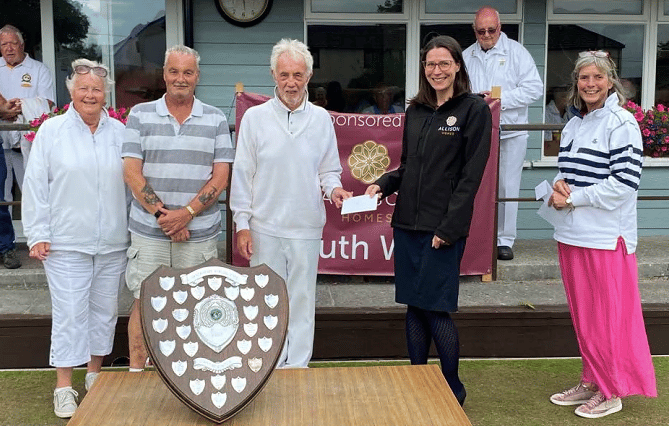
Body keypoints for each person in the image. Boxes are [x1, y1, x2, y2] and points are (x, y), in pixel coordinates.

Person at [365, 35, 492, 406]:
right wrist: (382, 184)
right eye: (430, 64)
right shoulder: (416, 111)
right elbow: (408, 167)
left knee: (436, 309)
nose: (436, 70)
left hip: (442, 230)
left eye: (443, 63)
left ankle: (453, 390)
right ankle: (418, 384)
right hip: (406, 224)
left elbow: (472, 177)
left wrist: (449, 228)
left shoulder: (473, 110)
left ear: (457, 66)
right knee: (413, 307)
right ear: (424, 69)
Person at [547, 50, 656, 419]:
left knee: (608, 318)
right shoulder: (575, 123)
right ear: (576, 83)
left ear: (611, 81)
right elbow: (571, 171)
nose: (590, 84)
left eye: (597, 77)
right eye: (583, 78)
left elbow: (625, 182)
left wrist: (574, 197)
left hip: (607, 237)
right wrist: (562, 185)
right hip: (573, 233)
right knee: (586, 317)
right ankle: (592, 380)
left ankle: (612, 390)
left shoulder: (622, 123)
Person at [230, 38, 351, 369]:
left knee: (301, 301)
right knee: (266, 302)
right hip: (264, 227)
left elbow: (329, 172)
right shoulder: (254, 118)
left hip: (306, 228)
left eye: (298, 75)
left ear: (309, 76)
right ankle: (268, 367)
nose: (291, 82)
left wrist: (335, 191)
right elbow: (242, 175)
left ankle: (297, 368)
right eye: (284, 75)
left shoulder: (322, 119)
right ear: (273, 74)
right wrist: (242, 224)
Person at [21, 59, 129, 418]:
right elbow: (35, 186)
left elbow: (131, 186)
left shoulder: (120, 132)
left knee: (104, 312)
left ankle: (94, 375)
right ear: (70, 91)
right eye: (83, 88)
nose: (90, 95)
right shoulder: (52, 131)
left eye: (97, 90)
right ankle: (64, 385)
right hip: (65, 242)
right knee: (69, 313)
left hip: (112, 241)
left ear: (106, 94)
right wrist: (37, 233)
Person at [122, 45, 234, 371]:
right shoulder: (139, 115)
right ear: (164, 74)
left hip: (197, 235)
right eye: (174, 71)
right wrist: (164, 217)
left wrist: (186, 213)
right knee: (145, 304)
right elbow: (131, 172)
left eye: (187, 72)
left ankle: (190, 379)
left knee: (199, 307)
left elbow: (221, 175)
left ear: (197, 77)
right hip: (149, 233)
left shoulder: (215, 119)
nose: (180, 78)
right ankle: (136, 376)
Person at [463, 7, 542, 261]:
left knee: (507, 185)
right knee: (474, 183)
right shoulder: (465, 55)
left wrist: (499, 100)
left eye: (491, 30)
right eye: (480, 30)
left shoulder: (517, 52)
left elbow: (534, 89)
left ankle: (504, 240)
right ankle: (475, 235)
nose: (486, 35)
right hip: (475, 133)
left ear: (500, 27)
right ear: (474, 30)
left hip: (510, 131)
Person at [0, 25, 54, 208]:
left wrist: (20, 106)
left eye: (13, 44)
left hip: (27, 144)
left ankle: (36, 235)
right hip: (1, 143)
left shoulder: (39, 70)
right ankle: (5, 237)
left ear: (22, 45)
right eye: (4, 44)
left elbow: (49, 104)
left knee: (33, 194)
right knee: (1, 198)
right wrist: (3, 111)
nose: (9, 48)